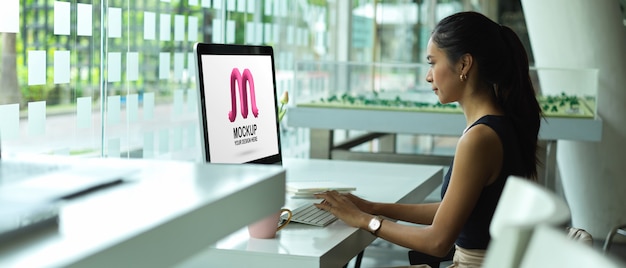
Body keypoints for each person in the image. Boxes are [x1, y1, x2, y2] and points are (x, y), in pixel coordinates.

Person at [314, 11, 542, 268]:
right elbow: (450, 211)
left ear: (464, 64)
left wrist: (365, 220)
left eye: (433, 63)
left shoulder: (480, 138)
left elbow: (437, 242)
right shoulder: (496, 125)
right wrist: (371, 206)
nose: (428, 76)